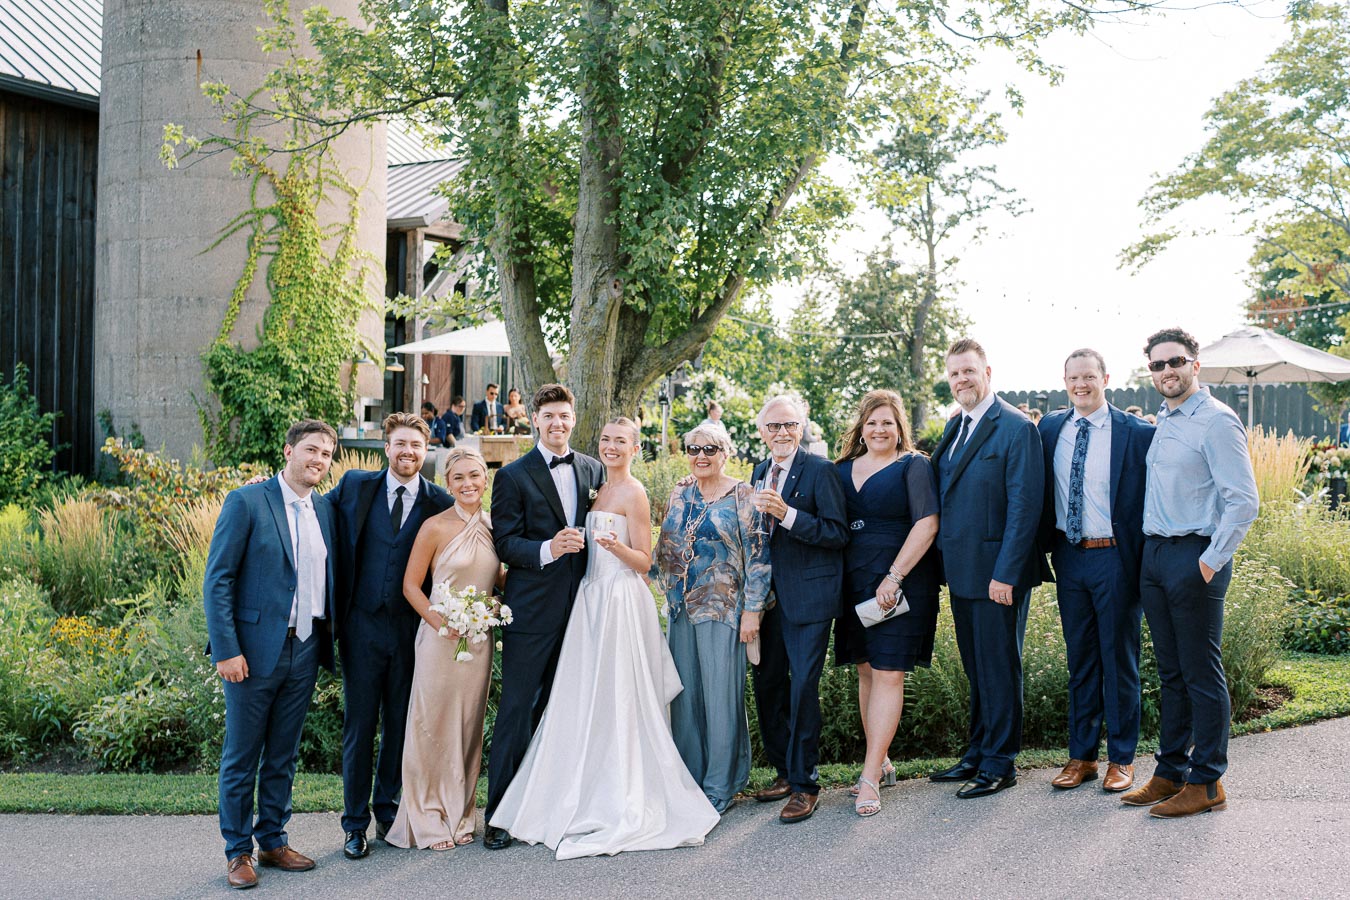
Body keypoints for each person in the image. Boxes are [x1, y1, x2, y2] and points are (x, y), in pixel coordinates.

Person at [492, 419, 719, 857]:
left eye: (621, 441)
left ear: (636, 447)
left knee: (620, 697)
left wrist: (615, 548)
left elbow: (645, 561)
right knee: (584, 698)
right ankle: (577, 785)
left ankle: (622, 792)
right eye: (606, 440)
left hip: (619, 602)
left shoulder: (633, 492)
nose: (611, 447)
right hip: (590, 600)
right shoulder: (595, 482)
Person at [1121, 327, 1258, 818]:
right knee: (1172, 672)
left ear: (1195, 364)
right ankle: (1169, 772)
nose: (1167, 372)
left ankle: (1209, 782)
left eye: (1175, 362)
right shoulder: (1165, 417)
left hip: (1194, 555)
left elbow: (1244, 502)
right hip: (1156, 555)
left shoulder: (1217, 422)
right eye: (1157, 365)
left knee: (1201, 672)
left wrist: (1208, 562)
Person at [203, 420, 339, 889]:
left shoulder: (324, 511)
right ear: (288, 451)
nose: (318, 459)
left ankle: (273, 841)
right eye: (310, 450)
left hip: (305, 648)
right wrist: (226, 649)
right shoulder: (248, 501)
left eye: (325, 453)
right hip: (253, 652)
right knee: (242, 756)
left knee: (283, 754)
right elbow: (217, 579)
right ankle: (238, 853)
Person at [482, 383, 605, 850]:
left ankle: (557, 807)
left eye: (565, 416)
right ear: (535, 419)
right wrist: (548, 549)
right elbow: (505, 543)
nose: (558, 423)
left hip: (585, 609)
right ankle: (499, 814)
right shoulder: (513, 476)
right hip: (531, 612)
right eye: (549, 416)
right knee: (517, 709)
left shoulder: (593, 469)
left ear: (574, 419)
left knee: (568, 709)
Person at [326, 412, 453, 859]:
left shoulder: (439, 502)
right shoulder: (354, 488)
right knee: (360, 728)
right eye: (400, 444)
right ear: (387, 447)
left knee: (400, 726)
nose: (408, 453)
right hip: (360, 628)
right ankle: (354, 824)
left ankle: (389, 810)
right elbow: (309, 514)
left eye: (416, 446)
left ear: (426, 449)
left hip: (411, 632)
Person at [929, 339, 1044, 799]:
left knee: (999, 668)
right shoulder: (955, 425)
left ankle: (1001, 763)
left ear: (988, 372)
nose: (962, 380)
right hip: (961, 570)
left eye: (969, 372)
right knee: (977, 668)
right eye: (954, 374)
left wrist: (1007, 574)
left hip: (998, 574)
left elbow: (1025, 506)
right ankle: (977, 753)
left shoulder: (1015, 427)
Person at [1037, 350, 1154, 795]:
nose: (1080, 384)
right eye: (1073, 377)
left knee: (1118, 659)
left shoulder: (1136, 432)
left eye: (1089, 376)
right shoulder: (1051, 428)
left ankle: (1121, 759)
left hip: (1115, 558)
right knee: (1081, 659)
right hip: (1069, 557)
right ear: (1064, 381)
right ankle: (1082, 756)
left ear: (1106, 378)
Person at [385, 448, 505, 850]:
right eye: (458, 478)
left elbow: (500, 580)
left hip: (479, 642)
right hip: (440, 641)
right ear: (447, 484)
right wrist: (441, 622)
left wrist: (491, 608)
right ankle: (428, 817)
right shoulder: (434, 527)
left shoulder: (494, 527)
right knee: (431, 723)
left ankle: (461, 813)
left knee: (468, 727)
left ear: (485, 480)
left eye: (475, 476)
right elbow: (410, 586)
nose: (468, 484)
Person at [831, 390, 940, 817]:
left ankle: (869, 775)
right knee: (865, 670)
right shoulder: (840, 470)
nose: (880, 429)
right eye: (873, 422)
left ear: (900, 430)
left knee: (889, 672)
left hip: (899, 582)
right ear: (861, 427)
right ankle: (884, 758)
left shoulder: (913, 466)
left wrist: (893, 578)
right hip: (853, 582)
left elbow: (927, 523)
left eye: (888, 423)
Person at [652, 421, 771, 814]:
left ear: (726, 453)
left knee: (721, 698)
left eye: (710, 449)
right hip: (680, 608)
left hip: (723, 608)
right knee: (684, 698)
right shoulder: (680, 491)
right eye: (694, 448)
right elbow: (664, 547)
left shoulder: (743, 495)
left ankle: (721, 785)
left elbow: (758, 558)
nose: (701, 456)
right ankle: (689, 779)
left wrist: (752, 610)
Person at [748, 395, 849, 823]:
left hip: (809, 598)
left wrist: (788, 514)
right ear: (762, 433)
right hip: (765, 600)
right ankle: (784, 771)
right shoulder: (757, 472)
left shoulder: (821, 470)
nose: (782, 433)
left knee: (803, 685)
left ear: (802, 427)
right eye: (773, 427)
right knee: (768, 684)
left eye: (790, 425)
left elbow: (837, 533)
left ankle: (806, 784)